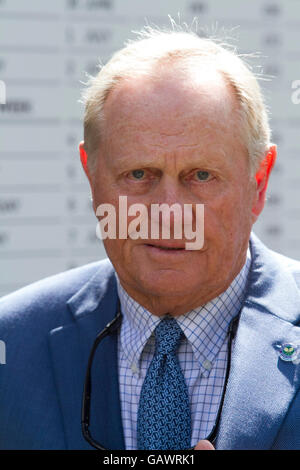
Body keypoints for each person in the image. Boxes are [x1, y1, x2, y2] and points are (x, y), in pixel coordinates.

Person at [0, 25, 300, 451]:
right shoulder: (11, 345)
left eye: (201, 176)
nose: (169, 214)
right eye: (138, 175)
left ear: (260, 182)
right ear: (91, 176)